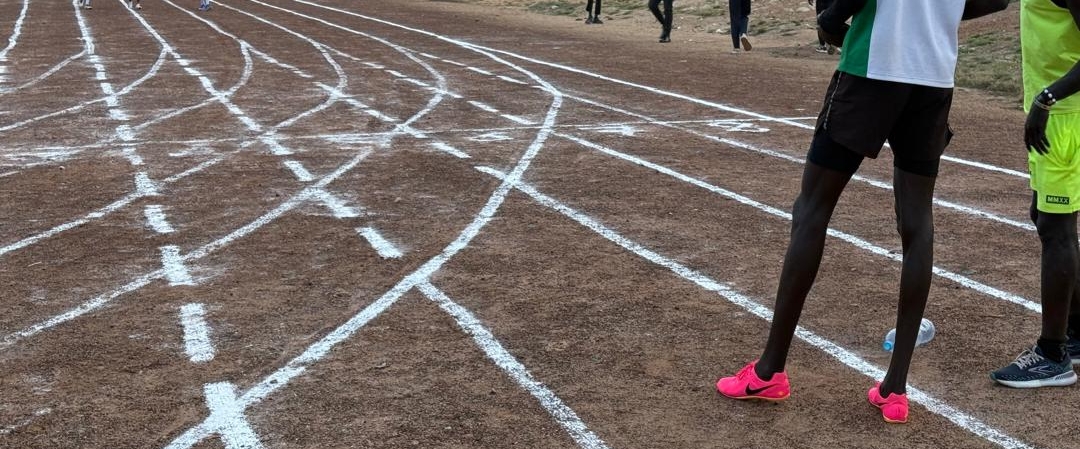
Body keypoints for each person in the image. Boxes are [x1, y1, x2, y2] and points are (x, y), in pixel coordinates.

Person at [715, 0, 1009, 424]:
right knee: (917, 223)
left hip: (874, 64)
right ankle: (895, 389)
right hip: (933, 74)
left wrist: (831, 18)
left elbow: (838, 15)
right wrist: (935, 14)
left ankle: (769, 371)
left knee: (811, 209)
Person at [990, 0, 1080, 389]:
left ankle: (1052, 354)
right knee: (1046, 220)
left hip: (1064, 117)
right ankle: (1075, 332)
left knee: (1057, 230)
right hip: (1058, 115)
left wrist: (1047, 97)